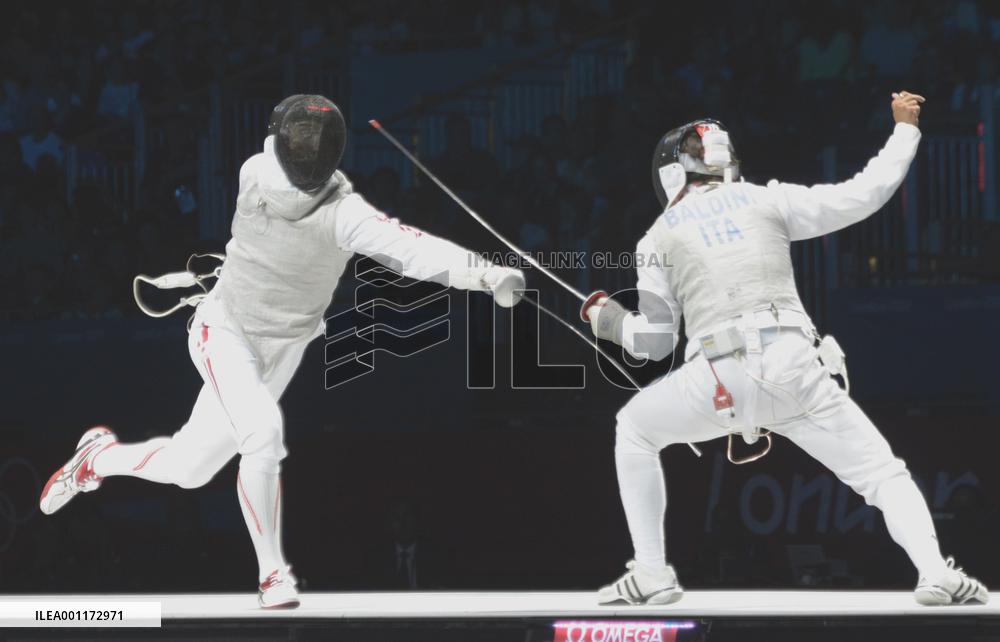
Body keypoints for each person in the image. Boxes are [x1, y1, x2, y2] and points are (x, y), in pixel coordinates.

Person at [38, 95, 524, 609]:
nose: (307, 152)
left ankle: (99, 458)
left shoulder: (340, 210)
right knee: (263, 434)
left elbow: (414, 251)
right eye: (301, 142)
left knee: (190, 467)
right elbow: (358, 222)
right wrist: (487, 274)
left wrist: (486, 274)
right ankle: (273, 575)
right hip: (224, 332)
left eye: (315, 143)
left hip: (282, 350)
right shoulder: (267, 181)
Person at [582, 91, 989, 606]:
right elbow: (862, 194)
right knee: (883, 474)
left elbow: (654, 343)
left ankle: (653, 574)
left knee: (635, 429)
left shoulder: (656, 237)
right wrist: (905, 130)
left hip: (716, 381)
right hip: (796, 368)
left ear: (670, 173)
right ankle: (935, 573)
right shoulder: (764, 198)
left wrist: (610, 320)